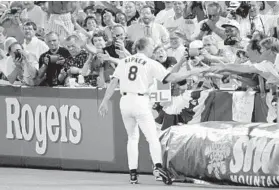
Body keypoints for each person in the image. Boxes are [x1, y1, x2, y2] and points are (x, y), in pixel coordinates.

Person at [98, 37, 209, 184]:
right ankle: (158, 168)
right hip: (140, 100)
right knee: (152, 138)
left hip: (124, 101)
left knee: (132, 137)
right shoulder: (151, 63)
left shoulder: (125, 61)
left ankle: (133, 173)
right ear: (146, 47)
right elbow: (172, 77)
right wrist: (192, 72)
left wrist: (105, 101)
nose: (153, 49)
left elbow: (113, 82)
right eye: (152, 46)